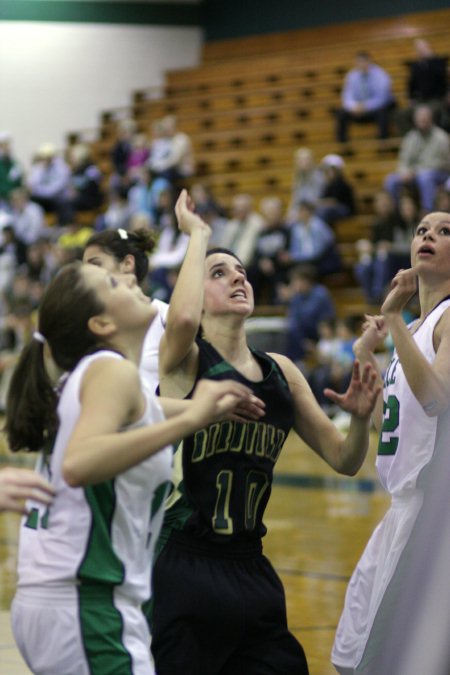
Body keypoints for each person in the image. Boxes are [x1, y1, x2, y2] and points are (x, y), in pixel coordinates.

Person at [149, 189, 381, 675]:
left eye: (242, 271)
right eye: (219, 273)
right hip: (184, 564)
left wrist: (359, 420)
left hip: (251, 565)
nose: (237, 276)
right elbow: (185, 316)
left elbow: (345, 460)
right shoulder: (186, 359)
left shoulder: (281, 371)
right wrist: (200, 235)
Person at [5, 260, 256, 675]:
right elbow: (78, 464)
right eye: (110, 283)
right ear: (101, 322)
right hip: (85, 602)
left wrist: (207, 409)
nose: (127, 280)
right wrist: (193, 419)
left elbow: (153, 410)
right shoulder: (112, 371)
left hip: (59, 598)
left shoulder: (93, 378)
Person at [332, 211, 450, 674]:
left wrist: (394, 319)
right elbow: (398, 431)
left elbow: (436, 399)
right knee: (349, 653)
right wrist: (365, 356)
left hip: (431, 514)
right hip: (400, 509)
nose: (429, 236)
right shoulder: (417, 328)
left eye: (444, 232)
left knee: (379, 660)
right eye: (422, 230)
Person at [82, 227, 167, 394]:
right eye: (84, 269)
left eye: (95, 264)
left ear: (127, 264)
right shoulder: (88, 325)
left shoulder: (166, 315)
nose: (86, 275)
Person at [384, 104, 450, 212]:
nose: (423, 122)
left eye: (425, 119)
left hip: (439, 174)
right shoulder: (410, 137)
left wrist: (415, 171)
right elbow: (403, 161)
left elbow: (443, 163)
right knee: (391, 180)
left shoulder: (441, 137)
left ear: (431, 119)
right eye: (420, 119)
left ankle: (428, 210)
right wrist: (404, 172)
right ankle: (396, 213)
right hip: (414, 175)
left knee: (425, 177)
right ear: (415, 121)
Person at [335, 51, 396, 143]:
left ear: (369, 61)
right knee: (341, 113)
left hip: (377, 108)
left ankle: (383, 144)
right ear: (355, 63)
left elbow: (382, 98)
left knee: (382, 113)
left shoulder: (380, 74)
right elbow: (347, 96)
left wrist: (365, 106)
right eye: (359, 62)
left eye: (364, 61)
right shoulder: (351, 76)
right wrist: (354, 106)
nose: (362, 64)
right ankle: (343, 146)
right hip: (358, 109)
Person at [396, 38, 449, 136]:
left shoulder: (438, 62)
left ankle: (428, 139)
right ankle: (412, 139)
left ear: (428, 47)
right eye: (418, 49)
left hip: (436, 100)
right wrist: (411, 98)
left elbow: (442, 76)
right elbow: (411, 84)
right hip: (420, 100)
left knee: (425, 113)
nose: (421, 50)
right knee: (401, 115)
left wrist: (430, 59)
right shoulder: (415, 66)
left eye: (423, 47)